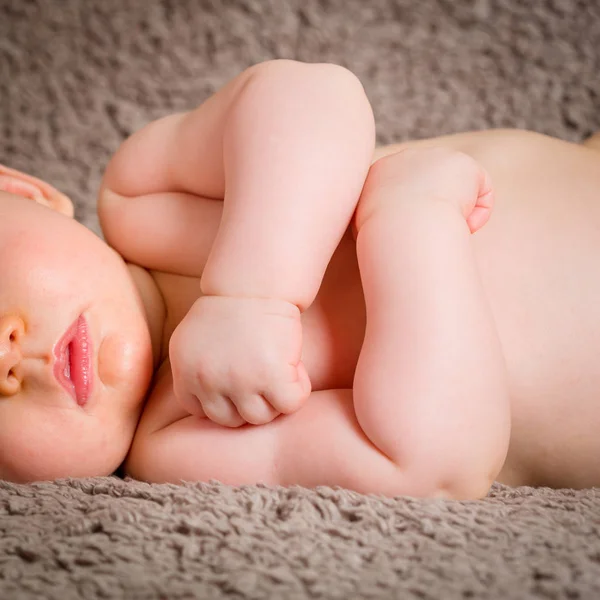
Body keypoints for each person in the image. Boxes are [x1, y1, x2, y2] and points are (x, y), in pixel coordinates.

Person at [2, 60, 600, 499]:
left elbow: (315, 97)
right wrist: (413, 222)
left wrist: (251, 294)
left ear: (21, 193)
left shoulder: (143, 198)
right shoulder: (177, 442)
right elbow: (437, 466)